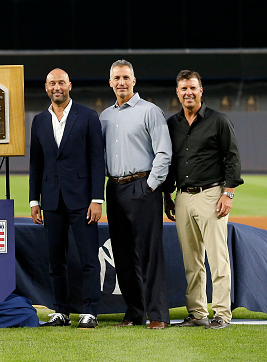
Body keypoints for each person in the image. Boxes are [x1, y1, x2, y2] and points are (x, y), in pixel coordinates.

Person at [164, 70, 243, 329]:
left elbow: (232, 157)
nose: (188, 92)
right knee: (192, 260)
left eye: (192, 88)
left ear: (201, 91)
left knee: (217, 258)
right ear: (177, 93)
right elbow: (171, 163)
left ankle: (222, 314)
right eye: (183, 88)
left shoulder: (218, 121)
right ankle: (197, 313)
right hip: (183, 196)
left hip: (212, 194)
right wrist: (168, 196)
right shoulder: (172, 124)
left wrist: (228, 194)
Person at [29, 68, 105, 328]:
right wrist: (33, 200)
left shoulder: (87, 116)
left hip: (82, 201)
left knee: (88, 259)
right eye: (52, 83)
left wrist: (97, 199)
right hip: (51, 201)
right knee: (55, 261)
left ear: (69, 85)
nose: (57, 87)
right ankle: (61, 311)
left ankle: (90, 311)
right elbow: (36, 164)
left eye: (61, 82)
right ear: (46, 87)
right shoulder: (39, 120)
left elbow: (97, 160)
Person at [99, 59, 172, 329]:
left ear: (134, 81)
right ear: (110, 82)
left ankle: (158, 315)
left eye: (125, 77)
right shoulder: (104, 116)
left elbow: (164, 152)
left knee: (149, 253)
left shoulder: (150, 111)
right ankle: (134, 312)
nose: (121, 82)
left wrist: (151, 185)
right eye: (116, 78)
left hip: (142, 186)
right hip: (115, 188)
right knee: (123, 254)